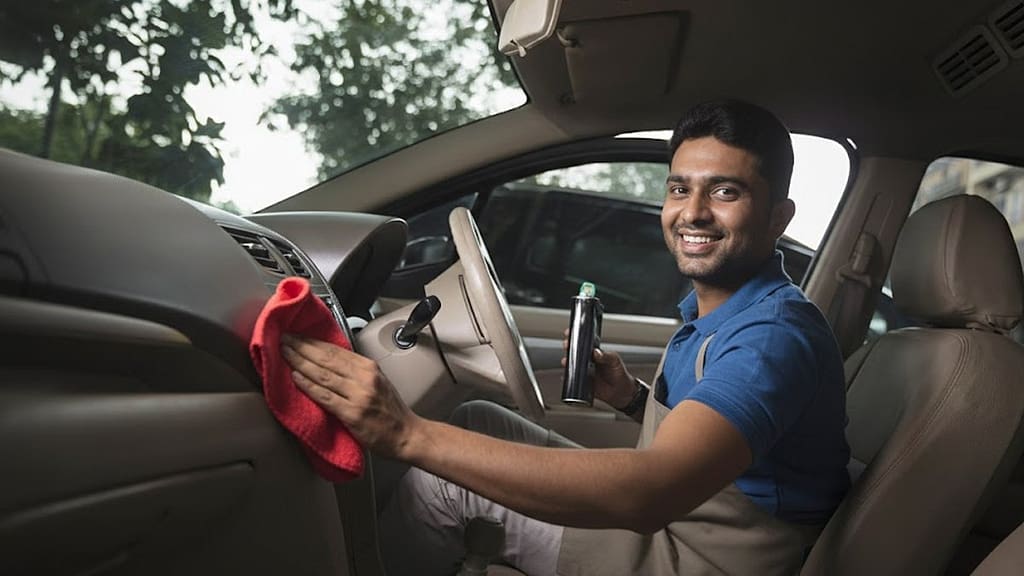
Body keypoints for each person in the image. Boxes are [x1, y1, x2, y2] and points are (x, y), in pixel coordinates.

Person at [280, 99, 851, 575]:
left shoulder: (772, 338)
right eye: (680, 189)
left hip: (697, 560)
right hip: (685, 526)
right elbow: (727, 450)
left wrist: (405, 433)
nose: (692, 213)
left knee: (441, 482)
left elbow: (650, 492)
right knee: (477, 419)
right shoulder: (728, 315)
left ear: (778, 217)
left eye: (725, 192)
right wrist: (631, 399)